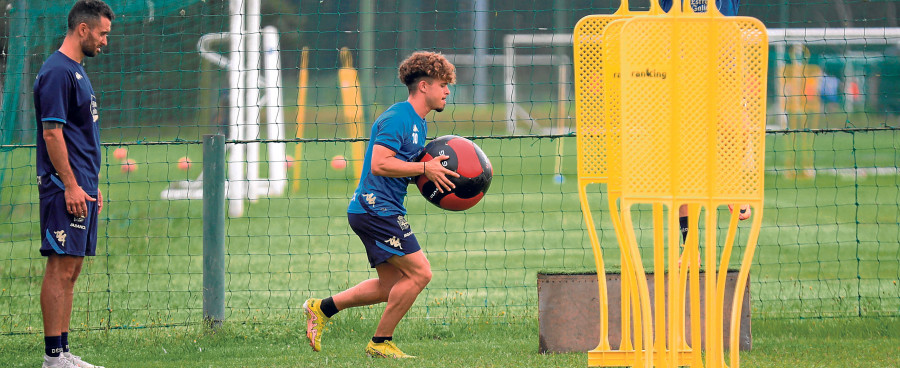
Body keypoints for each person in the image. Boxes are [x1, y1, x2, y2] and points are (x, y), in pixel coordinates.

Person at [302, 51, 459, 359]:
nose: (448, 91)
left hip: (382, 209)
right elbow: (379, 164)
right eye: (443, 84)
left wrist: (431, 175)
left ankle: (321, 308)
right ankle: (380, 342)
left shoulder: (418, 123)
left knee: (391, 284)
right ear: (424, 86)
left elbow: (403, 167)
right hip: (376, 209)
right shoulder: (398, 118)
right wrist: (425, 170)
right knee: (420, 274)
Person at [33, 1, 114, 367]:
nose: (105, 41)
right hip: (63, 187)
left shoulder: (76, 71)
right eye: (102, 33)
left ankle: (63, 353)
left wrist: (89, 185)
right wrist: (69, 185)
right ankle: (53, 359)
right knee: (60, 267)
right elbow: (52, 135)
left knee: (73, 268)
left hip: (82, 188)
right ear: (83, 30)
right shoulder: (57, 72)